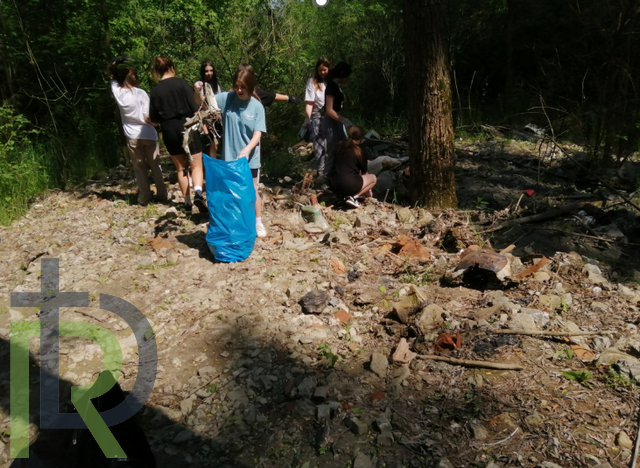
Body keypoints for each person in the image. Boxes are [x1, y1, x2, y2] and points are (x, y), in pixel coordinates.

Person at [215, 64, 268, 237]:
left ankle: (258, 222)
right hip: (229, 157)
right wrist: (198, 90)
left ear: (250, 86)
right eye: (237, 86)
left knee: (252, 191)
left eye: (243, 87)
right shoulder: (227, 99)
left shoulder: (257, 107)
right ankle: (235, 223)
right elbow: (204, 101)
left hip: (249, 158)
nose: (239, 90)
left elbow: (258, 133)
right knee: (231, 192)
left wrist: (246, 150)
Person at [148, 57, 207, 213]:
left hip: (168, 128)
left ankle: (187, 203)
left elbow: (154, 119)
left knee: (181, 168)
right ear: (172, 68)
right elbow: (195, 107)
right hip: (187, 125)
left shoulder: (156, 90)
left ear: (157, 71)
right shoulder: (181, 83)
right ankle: (198, 194)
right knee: (196, 164)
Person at [108, 59, 168, 206]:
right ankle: (162, 194)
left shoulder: (118, 93)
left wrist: (114, 66)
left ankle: (144, 197)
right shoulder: (140, 93)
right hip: (147, 133)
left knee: (139, 167)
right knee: (155, 165)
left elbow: (112, 78)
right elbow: (147, 116)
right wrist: (157, 124)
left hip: (132, 135)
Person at [327, 125, 376, 208]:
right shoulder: (359, 151)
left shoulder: (339, 145)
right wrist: (368, 191)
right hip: (348, 185)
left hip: (333, 184)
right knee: (373, 178)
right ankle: (353, 197)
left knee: (347, 176)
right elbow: (365, 173)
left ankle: (342, 196)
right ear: (361, 138)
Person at [322, 62, 354, 177]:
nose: (348, 79)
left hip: (337, 120)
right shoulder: (331, 87)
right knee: (333, 150)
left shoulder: (337, 87)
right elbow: (329, 110)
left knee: (345, 147)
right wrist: (344, 120)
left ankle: (342, 174)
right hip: (331, 121)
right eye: (347, 76)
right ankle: (327, 178)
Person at [303, 57, 331, 173]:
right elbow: (309, 102)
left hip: (331, 114)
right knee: (319, 143)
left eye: (325, 70)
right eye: (320, 70)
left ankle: (332, 167)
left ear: (329, 69)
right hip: (317, 115)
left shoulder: (332, 81)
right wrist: (307, 119)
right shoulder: (312, 82)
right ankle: (320, 169)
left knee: (332, 141)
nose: (322, 72)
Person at [194, 60, 223, 158]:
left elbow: (219, 102)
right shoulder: (199, 85)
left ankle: (212, 163)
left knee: (215, 144)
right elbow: (199, 102)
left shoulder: (216, 85)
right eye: (206, 71)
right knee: (209, 143)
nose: (209, 73)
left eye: (211, 70)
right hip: (204, 120)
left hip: (216, 119)